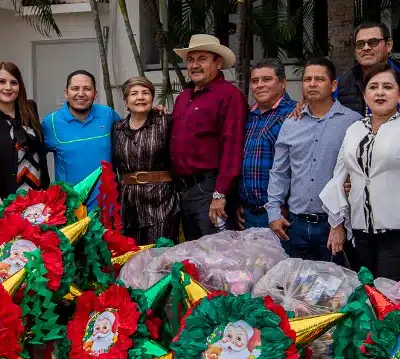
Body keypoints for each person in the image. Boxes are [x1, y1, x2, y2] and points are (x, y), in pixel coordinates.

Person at [322, 66, 400, 279]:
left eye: (387, 87)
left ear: (399, 94)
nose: (380, 92)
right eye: (373, 87)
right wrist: (337, 225)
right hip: (362, 235)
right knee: (366, 298)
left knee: (391, 301)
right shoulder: (355, 129)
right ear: (365, 95)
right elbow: (339, 178)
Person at [266, 56, 360, 261]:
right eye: (307, 79)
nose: (312, 84)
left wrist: (342, 222)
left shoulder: (353, 122)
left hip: (335, 225)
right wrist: (273, 212)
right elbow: (279, 172)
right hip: (295, 226)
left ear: (333, 85)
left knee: (336, 290)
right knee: (297, 289)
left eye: (319, 79)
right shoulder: (291, 123)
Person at [169, 34, 246, 238]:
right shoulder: (183, 98)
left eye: (202, 59)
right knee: (194, 258)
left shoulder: (230, 95)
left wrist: (220, 194)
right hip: (184, 191)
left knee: (216, 258)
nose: (195, 65)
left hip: (210, 190)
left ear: (218, 63)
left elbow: (233, 146)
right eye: (191, 60)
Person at [0, 61, 50, 213]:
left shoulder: (30, 109)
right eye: (1, 82)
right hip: (7, 203)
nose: (8, 87)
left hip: (39, 199)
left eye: (13, 82)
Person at [112, 76, 180, 244]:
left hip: (162, 201)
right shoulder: (117, 129)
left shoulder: (166, 122)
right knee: (130, 258)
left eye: (146, 93)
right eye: (134, 93)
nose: (140, 97)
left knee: (159, 257)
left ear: (152, 98)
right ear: (126, 101)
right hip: (129, 205)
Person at [41, 70, 117, 201]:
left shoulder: (107, 115)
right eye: (75, 88)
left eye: (87, 89)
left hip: (108, 208)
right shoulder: (50, 122)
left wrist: (153, 115)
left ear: (95, 94)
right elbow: (36, 160)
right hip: (71, 210)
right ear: (66, 92)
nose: (81, 94)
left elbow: (132, 132)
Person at [238, 60, 295, 229]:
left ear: (283, 82)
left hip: (280, 214)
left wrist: (282, 207)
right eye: (255, 81)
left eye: (266, 79)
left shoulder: (294, 114)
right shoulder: (249, 116)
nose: (259, 85)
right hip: (248, 214)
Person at [337, 21, 400, 113]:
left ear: (388, 45)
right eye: (360, 44)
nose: (366, 48)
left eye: (373, 42)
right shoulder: (342, 83)